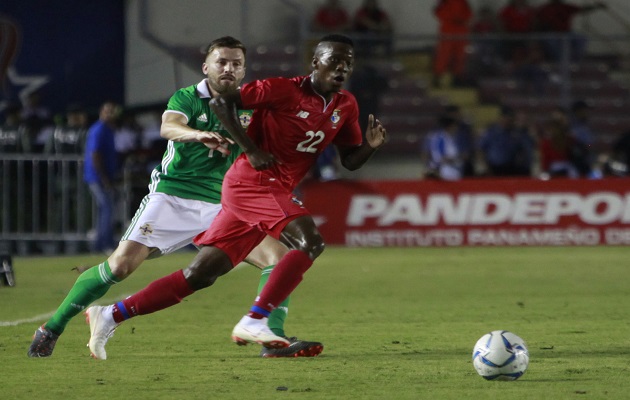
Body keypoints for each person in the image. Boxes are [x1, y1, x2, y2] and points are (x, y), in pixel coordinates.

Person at [71, 34, 386, 354]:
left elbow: (349, 160)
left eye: (348, 63)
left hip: (266, 190)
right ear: (316, 62)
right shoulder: (282, 89)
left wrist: (369, 148)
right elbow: (222, 102)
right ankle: (257, 320)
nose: (342, 68)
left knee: (201, 274)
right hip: (253, 182)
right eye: (335, 60)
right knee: (310, 242)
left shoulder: (345, 105)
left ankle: (110, 315)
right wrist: (250, 149)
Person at [27, 36, 323, 360]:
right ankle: (52, 327)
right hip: (173, 196)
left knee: (277, 258)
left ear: (243, 70)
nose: (228, 68)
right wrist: (198, 135)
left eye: (236, 63)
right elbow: (169, 127)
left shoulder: (252, 104)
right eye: (222, 62)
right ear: (206, 66)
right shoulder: (188, 97)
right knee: (120, 266)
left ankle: (272, 337)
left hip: (225, 203)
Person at [83, 101, 121, 254]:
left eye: (112, 111)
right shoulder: (98, 130)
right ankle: (104, 243)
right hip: (97, 176)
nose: (110, 114)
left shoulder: (108, 130)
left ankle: (102, 242)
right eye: (107, 111)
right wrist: (104, 177)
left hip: (104, 175)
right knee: (107, 208)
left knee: (106, 209)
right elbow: (95, 154)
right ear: (101, 112)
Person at [535, 0, 607, 62]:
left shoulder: (566, 7)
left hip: (566, 33)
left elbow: (582, 9)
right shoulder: (545, 9)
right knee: (551, 41)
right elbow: (536, 22)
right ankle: (558, 62)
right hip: (552, 34)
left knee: (581, 38)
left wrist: (597, 7)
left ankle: (574, 61)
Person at [478, 106, 536, 176]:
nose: (508, 121)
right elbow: (481, 149)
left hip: (511, 168)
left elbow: (524, 150)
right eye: (506, 118)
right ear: (501, 118)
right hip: (494, 168)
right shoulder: (491, 132)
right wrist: (485, 166)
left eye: (510, 119)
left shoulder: (516, 133)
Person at [433, 0, 473, 87]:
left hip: (460, 28)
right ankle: (438, 78)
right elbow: (437, 10)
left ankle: (457, 79)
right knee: (444, 55)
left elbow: (469, 12)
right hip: (449, 27)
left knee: (460, 56)